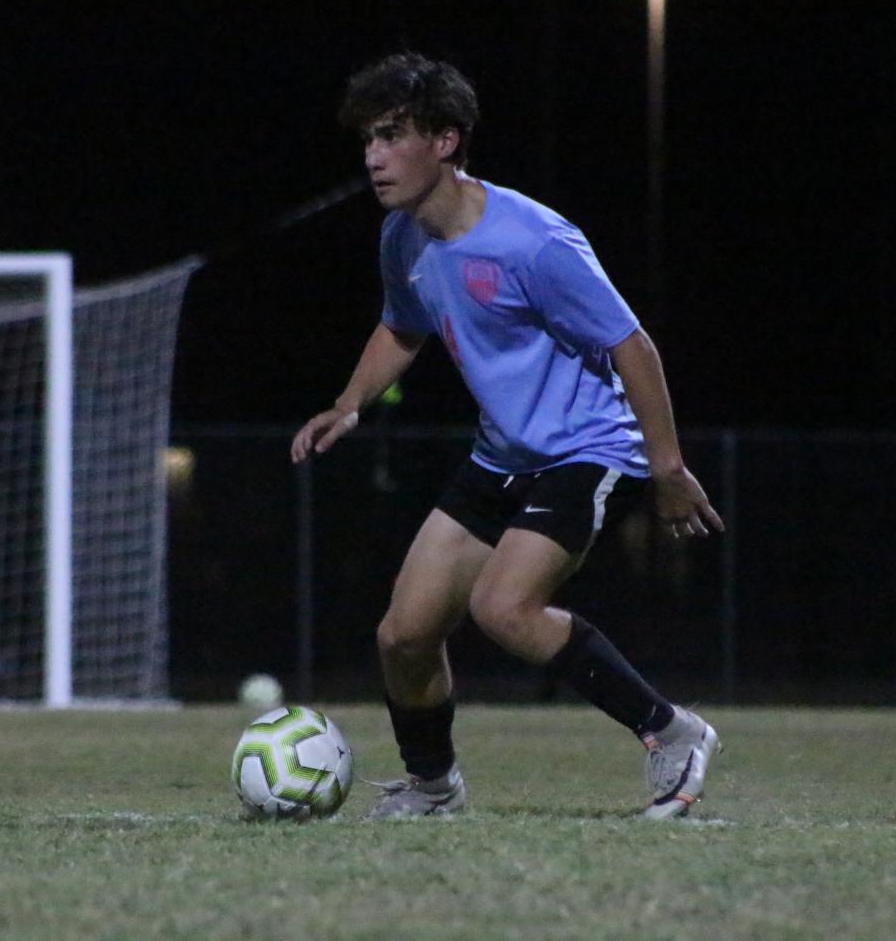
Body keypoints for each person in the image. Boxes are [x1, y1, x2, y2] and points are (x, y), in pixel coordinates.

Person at [290, 52, 725, 820]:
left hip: (587, 450)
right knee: (402, 635)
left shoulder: (533, 241)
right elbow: (402, 325)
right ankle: (433, 786)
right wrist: (349, 401)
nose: (372, 156)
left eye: (391, 135)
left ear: (447, 141)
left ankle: (671, 730)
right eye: (367, 138)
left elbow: (633, 346)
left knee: (504, 607)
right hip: (503, 456)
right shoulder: (402, 237)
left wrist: (667, 466)